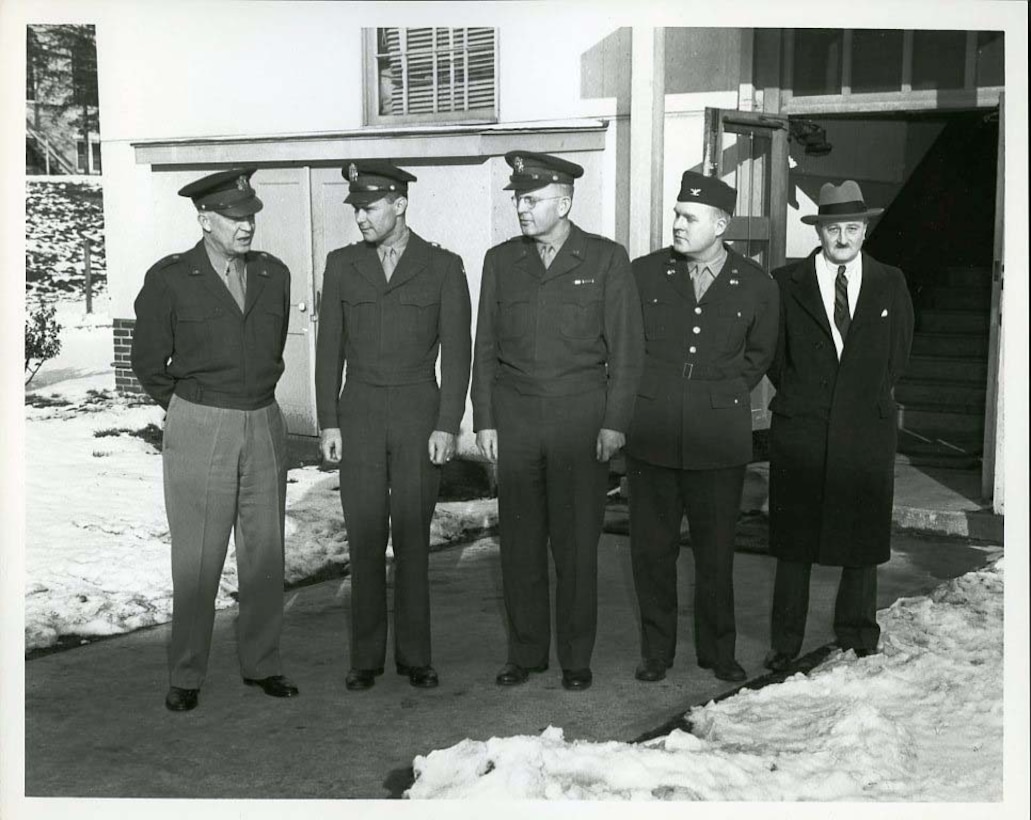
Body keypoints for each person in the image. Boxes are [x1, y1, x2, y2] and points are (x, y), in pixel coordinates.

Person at [472, 150, 645, 692]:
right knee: (520, 546)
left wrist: (615, 422)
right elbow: (486, 348)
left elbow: (628, 351)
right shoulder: (502, 261)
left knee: (575, 549)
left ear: (564, 202)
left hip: (579, 426)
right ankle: (526, 654)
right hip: (518, 424)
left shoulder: (605, 259)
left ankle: (575, 658)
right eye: (518, 199)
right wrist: (484, 420)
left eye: (532, 199)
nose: (522, 208)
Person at [132, 167, 298, 712]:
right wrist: (188, 410)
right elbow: (149, 364)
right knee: (198, 557)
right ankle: (186, 674)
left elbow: (269, 346)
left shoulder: (275, 275)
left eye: (249, 215)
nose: (245, 225)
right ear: (205, 220)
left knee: (265, 553)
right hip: (201, 422)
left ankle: (263, 663)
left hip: (264, 422)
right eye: (232, 217)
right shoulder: (171, 278)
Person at [315, 161, 471, 692]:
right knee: (362, 538)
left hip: (416, 415)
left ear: (400, 204)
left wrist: (448, 423)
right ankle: (364, 659)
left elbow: (458, 353)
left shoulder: (443, 266)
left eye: (370, 207)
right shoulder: (340, 265)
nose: (360, 217)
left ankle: (415, 656)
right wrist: (328, 421)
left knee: (411, 537)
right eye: (356, 208)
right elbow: (328, 349)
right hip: (356, 412)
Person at [625, 171, 779, 684]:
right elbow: (627, 345)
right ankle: (657, 652)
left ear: (721, 224)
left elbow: (759, 354)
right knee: (652, 552)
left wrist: (720, 389)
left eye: (689, 218)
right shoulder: (645, 274)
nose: (677, 224)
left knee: (716, 555)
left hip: (718, 437)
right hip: (654, 429)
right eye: (676, 214)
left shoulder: (756, 283)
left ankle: (719, 652)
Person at [763, 180, 914, 672]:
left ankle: (858, 633)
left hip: (865, 428)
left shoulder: (890, 281)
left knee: (862, 537)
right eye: (833, 228)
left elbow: (899, 353)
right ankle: (785, 643)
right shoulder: (786, 283)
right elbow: (775, 356)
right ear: (819, 231)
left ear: (865, 231)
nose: (842, 238)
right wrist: (811, 395)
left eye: (852, 227)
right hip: (803, 427)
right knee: (794, 542)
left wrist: (859, 396)